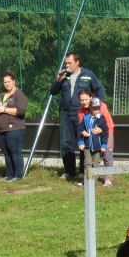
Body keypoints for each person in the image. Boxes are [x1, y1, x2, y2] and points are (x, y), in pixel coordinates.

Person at [49, 52, 105, 181]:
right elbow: (53, 91)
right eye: (66, 63)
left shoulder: (88, 74)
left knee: (84, 140)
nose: (67, 65)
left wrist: (97, 107)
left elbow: (100, 89)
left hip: (82, 113)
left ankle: (82, 171)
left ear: (77, 62)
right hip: (66, 113)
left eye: (69, 63)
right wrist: (58, 79)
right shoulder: (64, 75)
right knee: (66, 143)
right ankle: (69, 171)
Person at [0, 71, 27, 181]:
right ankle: (9, 175)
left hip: (15, 128)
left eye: (9, 82)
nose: (7, 84)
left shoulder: (19, 94)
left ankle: (18, 175)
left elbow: (21, 111)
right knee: (6, 153)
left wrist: (4, 109)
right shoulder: (1, 95)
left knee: (15, 152)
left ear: (14, 81)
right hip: (1, 129)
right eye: (5, 82)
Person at [76, 89, 115, 186]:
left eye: (86, 99)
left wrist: (101, 130)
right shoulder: (81, 110)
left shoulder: (100, 106)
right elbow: (81, 126)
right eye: (81, 100)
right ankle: (88, 179)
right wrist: (83, 132)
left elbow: (106, 124)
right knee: (88, 159)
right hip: (91, 136)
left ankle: (108, 179)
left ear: (91, 97)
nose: (84, 102)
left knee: (107, 154)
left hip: (106, 130)